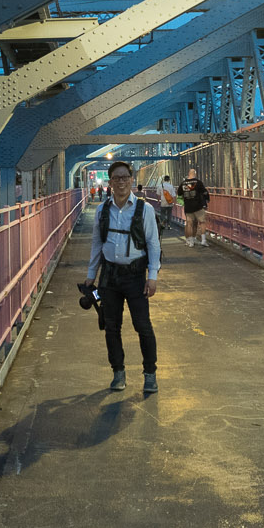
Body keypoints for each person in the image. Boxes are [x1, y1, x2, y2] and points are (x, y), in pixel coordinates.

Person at [87, 158, 160, 395]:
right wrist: (91, 275)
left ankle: (150, 374)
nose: (121, 182)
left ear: (131, 180)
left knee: (143, 326)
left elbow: (153, 243)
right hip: (109, 277)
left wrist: (153, 276)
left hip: (136, 276)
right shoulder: (102, 210)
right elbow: (97, 243)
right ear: (110, 182)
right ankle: (118, 373)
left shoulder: (144, 209)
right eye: (116, 178)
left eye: (125, 177)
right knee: (111, 327)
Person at [180, 171, 211, 245]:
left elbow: (179, 193)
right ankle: (203, 240)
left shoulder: (183, 183)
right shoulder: (198, 182)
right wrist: (207, 199)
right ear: (195, 174)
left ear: (188, 174)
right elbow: (205, 192)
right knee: (202, 222)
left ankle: (190, 241)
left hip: (188, 206)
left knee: (189, 224)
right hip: (198, 207)